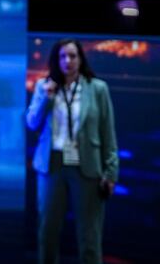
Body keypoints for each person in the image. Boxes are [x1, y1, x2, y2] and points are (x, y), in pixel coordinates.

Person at [26, 39, 119, 264]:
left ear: (80, 59)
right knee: (47, 231)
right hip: (52, 164)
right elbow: (31, 122)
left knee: (90, 234)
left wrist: (111, 171)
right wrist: (46, 99)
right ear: (56, 61)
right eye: (63, 57)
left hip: (86, 165)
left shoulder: (97, 88)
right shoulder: (44, 86)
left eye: (73, 56)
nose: (68, 61)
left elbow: (108, 132)